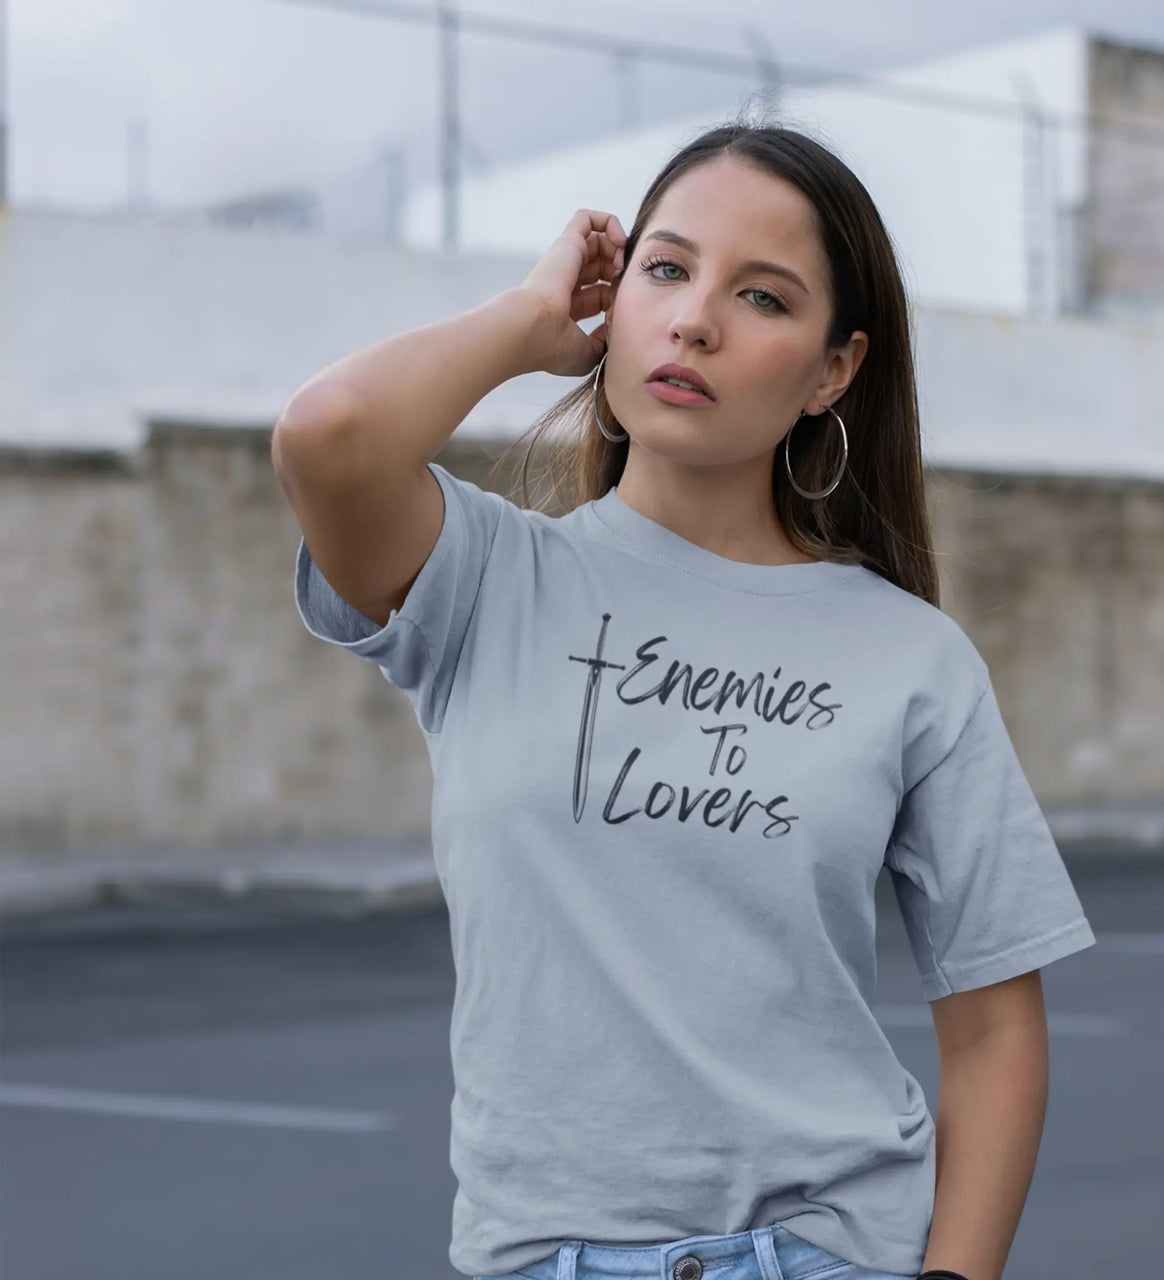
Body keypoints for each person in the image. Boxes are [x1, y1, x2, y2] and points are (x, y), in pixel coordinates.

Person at [273, 117, 1097, 1280]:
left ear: (834, 369)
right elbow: (330, 434)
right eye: (665, 270)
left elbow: (995, 1026)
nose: (694, 318)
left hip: (823, 1250)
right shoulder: (486, 582)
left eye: (762, 298)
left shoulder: (913, 659)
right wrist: (525, 324)